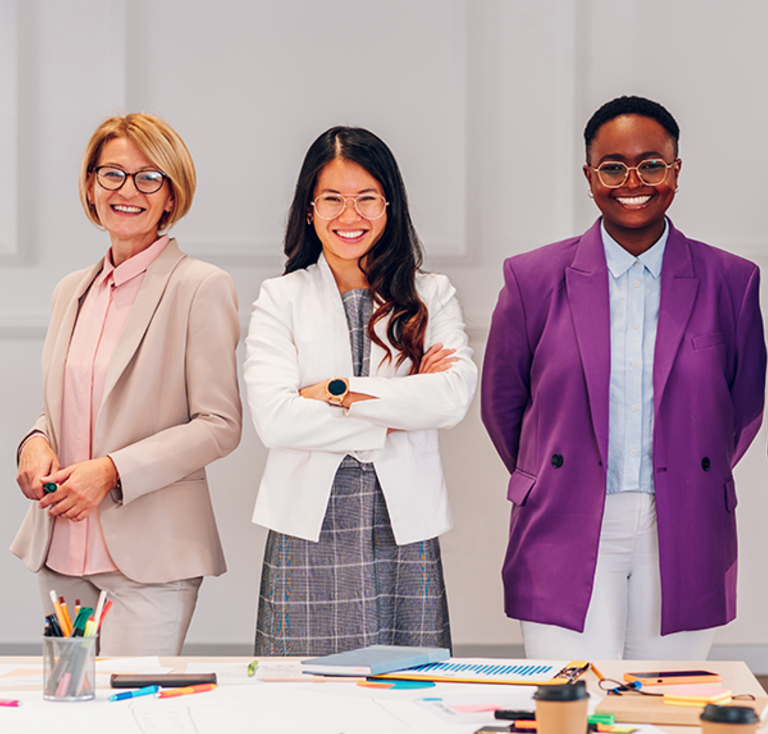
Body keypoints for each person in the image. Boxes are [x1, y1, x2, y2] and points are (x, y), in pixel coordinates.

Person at [482, 96, 766, 660]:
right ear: (590, 177)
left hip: (684, 517)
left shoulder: (731, 281)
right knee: (574, 709)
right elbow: (503, 403)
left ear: (675, 172)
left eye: (651, 164)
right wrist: (553, 472)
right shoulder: (533, 278)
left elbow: (743, 405)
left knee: (664, 716)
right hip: (565, 516)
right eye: (613, 166)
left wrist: (686, 467)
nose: (632, 180)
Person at [13, 113, 242, 655]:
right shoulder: (71, 290)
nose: (127, 190)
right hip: (61, 547)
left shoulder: (200, 286)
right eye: (112, 174)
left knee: (129, 725)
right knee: (69, 713)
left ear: (171, 195)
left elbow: (219, 425)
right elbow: (66, 405)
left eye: (149, 177)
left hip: (151, 557)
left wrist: (111, 471)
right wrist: (35, 441)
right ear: (91, 186)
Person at [244, 126, 477, 656]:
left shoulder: (431, 294)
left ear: (389, 205)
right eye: (333, 199)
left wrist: (333, 392)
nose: (350, 216)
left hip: (403, 526)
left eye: (366, 198)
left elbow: (452, 398)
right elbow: (276, 419)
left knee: (408, 687)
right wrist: (401, 402)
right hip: (308, 527)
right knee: (299, 693)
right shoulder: (281, 298)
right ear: (309, 209)